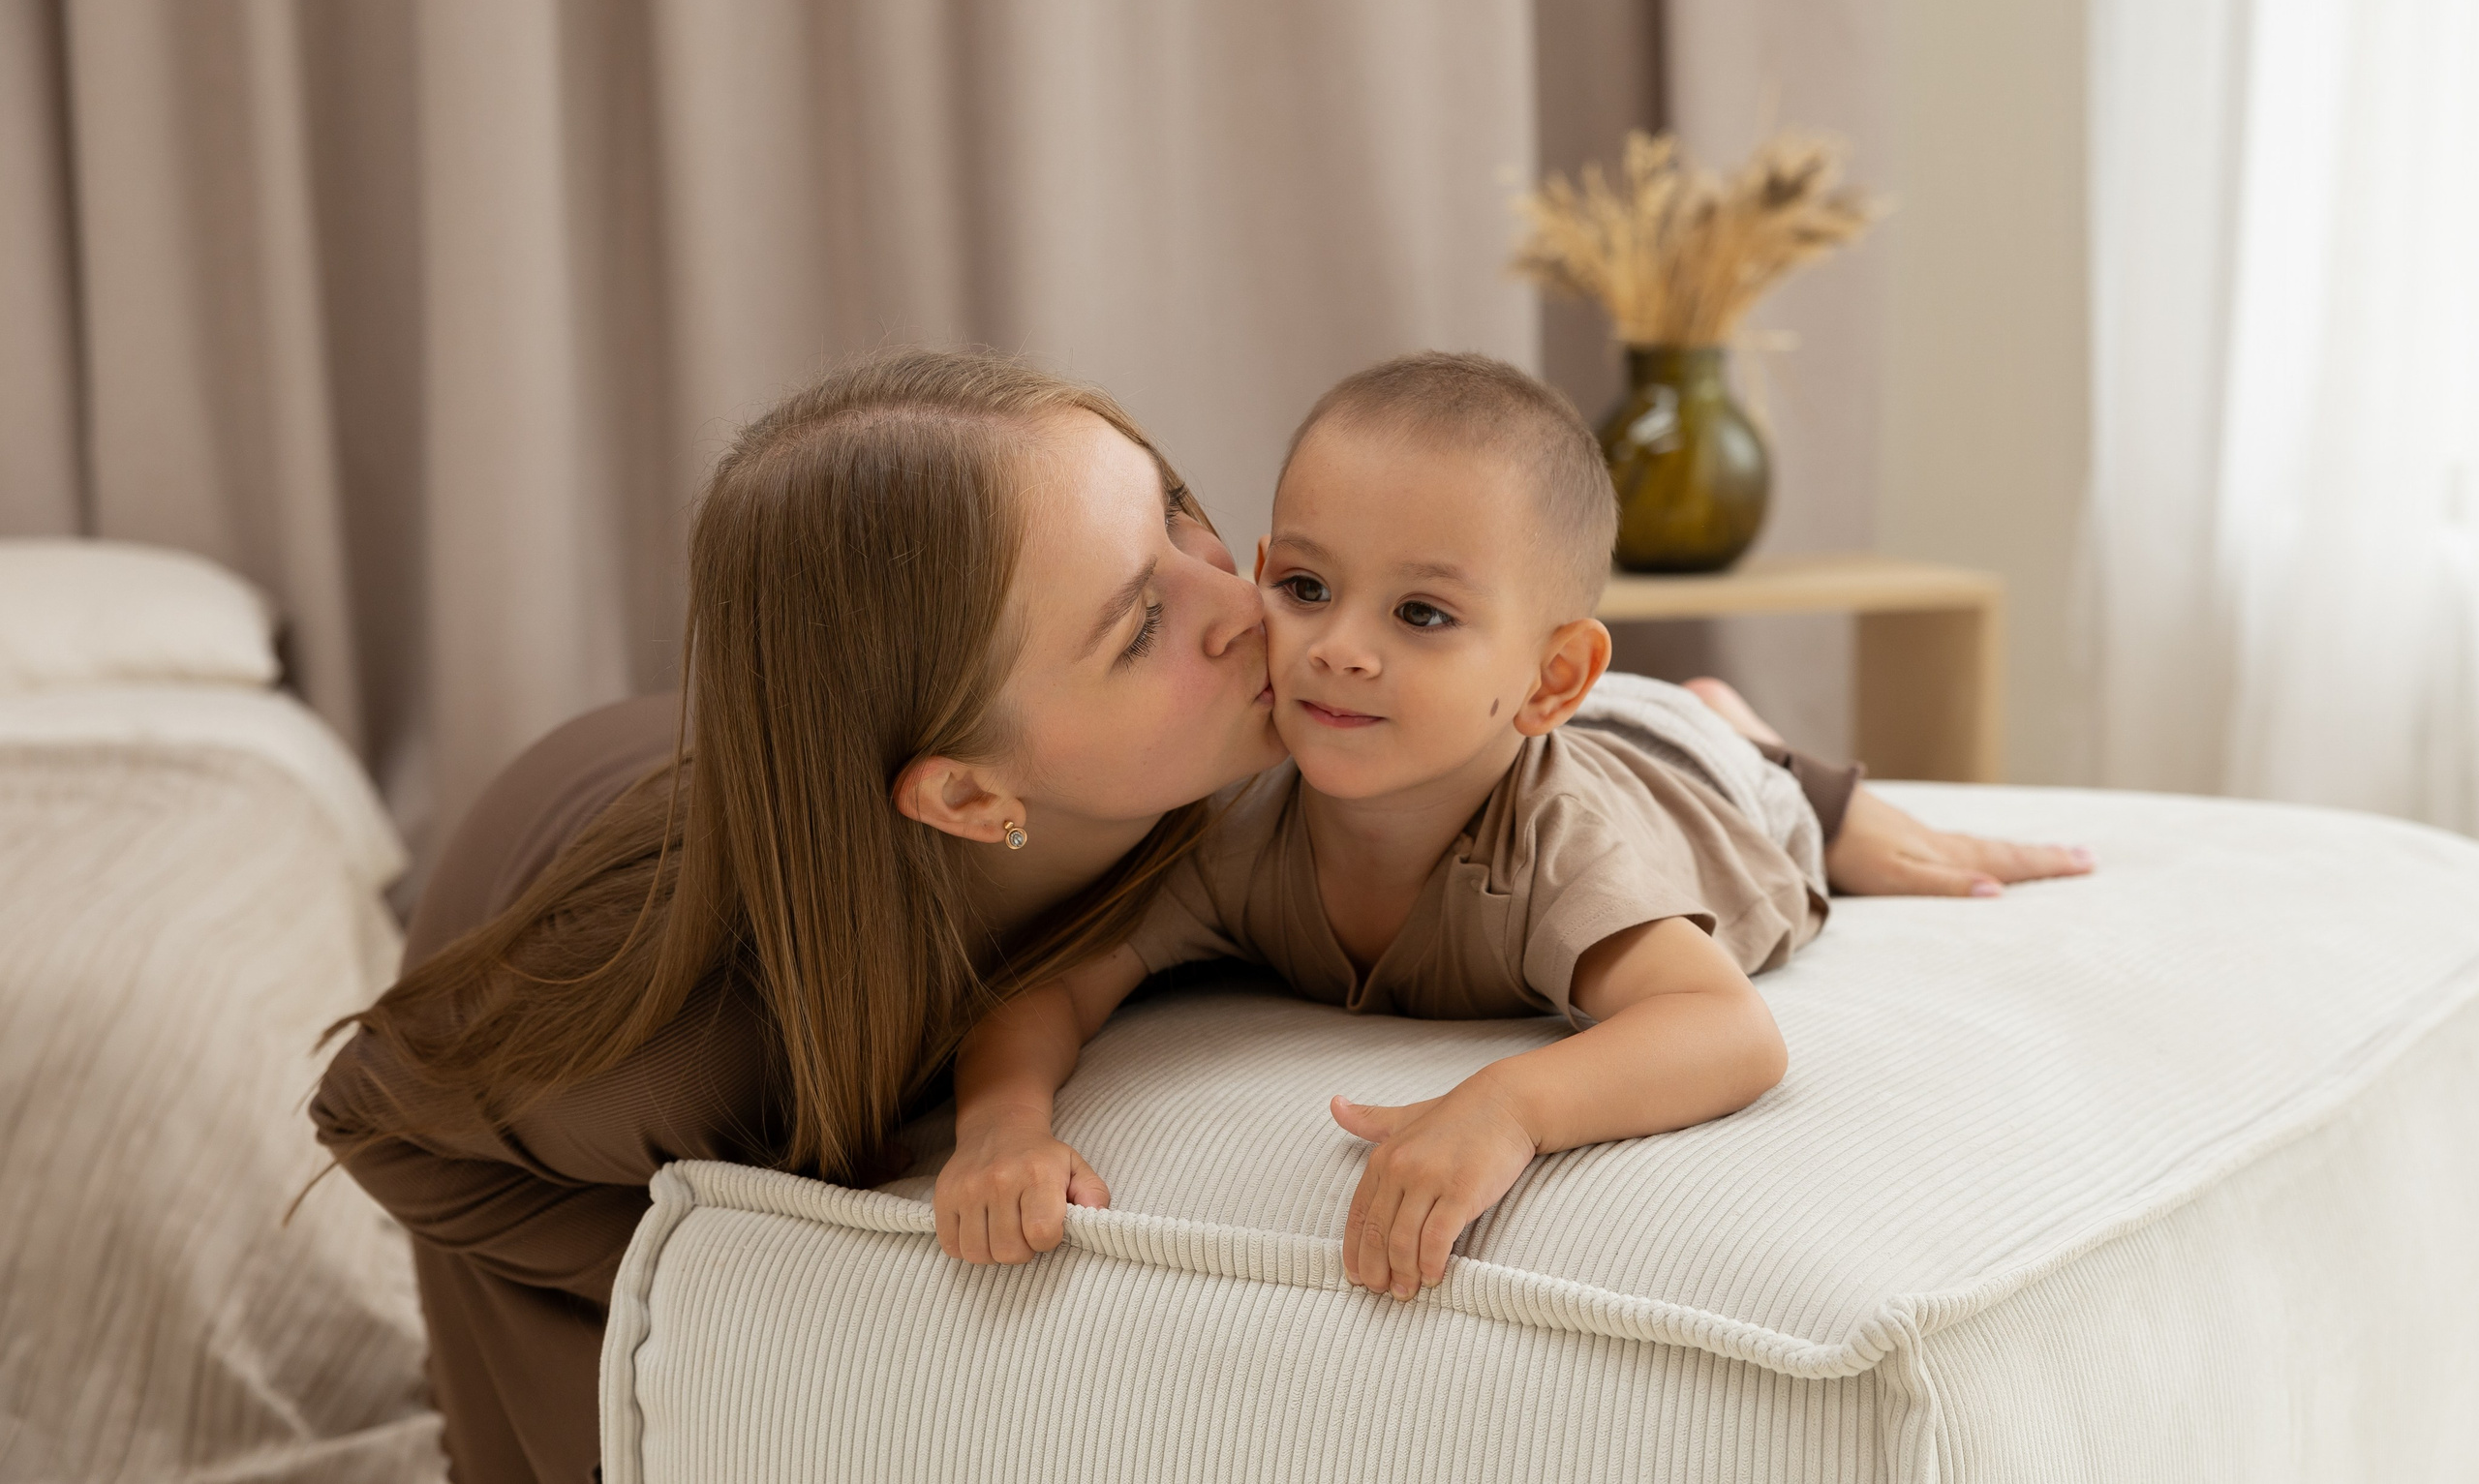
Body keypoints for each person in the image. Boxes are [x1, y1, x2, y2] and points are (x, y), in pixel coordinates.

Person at [312, 348, 2084, 1484]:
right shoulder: (692, 1028)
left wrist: (1826, 805)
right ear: (973, 792)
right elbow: (377, 1117)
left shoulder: (1245, 773)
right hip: (571, 856)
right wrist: (720, 1288)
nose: (1244, 604)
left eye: (1180, 517)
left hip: (780, 751)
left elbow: (1556, 756)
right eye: (1134, 623)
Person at [933, 352, 2094, 1306]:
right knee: (1648, 724)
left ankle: (1739, 733)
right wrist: (999, 1122)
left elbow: (1726, 1028)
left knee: (1761, 784)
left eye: (1421, 612)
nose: (1340, 647)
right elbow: (1057, 985)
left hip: (1695, 790)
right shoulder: (1237, 827)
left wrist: (1510, 1105)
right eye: (1305, 590)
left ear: (1549, 676)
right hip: (1560, 724)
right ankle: (1687, 706)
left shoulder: (1560, 849)